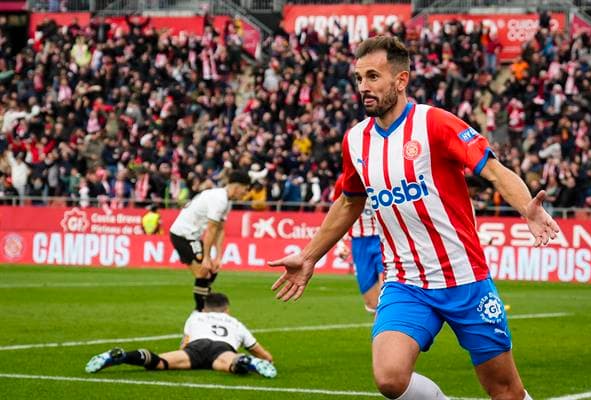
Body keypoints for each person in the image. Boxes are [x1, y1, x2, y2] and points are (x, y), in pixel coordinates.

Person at [269, 36, 559, 400]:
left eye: (373, 76)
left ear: (401, 80)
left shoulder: (435, 124)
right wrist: (310, 256)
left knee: (506, 392)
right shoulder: (355, 140)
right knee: (390, 378)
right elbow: (348, 202)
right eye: (359, 78)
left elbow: (495, 171)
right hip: (407, 281)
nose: (363, 87)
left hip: (465, 280)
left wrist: (526, 208)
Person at [85, 293, 276, 378]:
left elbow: (185, 343)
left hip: (196, 348)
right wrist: (267, 360)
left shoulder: (195, 317)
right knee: (230, 364)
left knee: (159, 362)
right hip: (221, 349)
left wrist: (185, 358)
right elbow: (263, 354)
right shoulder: (236, 323)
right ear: (227, 309)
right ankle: (245, 361)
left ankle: (122, 356)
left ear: (205, 308)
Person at [170, 170, 250, 311]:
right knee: (204, 272)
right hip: (182, 235)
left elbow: (220, 230)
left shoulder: (226, 201)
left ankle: (204, 306)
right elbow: (211, 229)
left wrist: (218, 257)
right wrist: (207, 257)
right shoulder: (219, 199)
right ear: (237, 186)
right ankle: (200, 311)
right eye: (245, 189)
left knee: (210, 271)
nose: (245, 193)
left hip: (192, 236)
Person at [333, 175, 383, 313]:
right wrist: (340, 244)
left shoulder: (384, 172)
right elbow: (338, 212)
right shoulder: (343, 181)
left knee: (387, 297)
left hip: (385, 239)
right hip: (359, 243)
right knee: (372, 303)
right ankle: (380, 334)